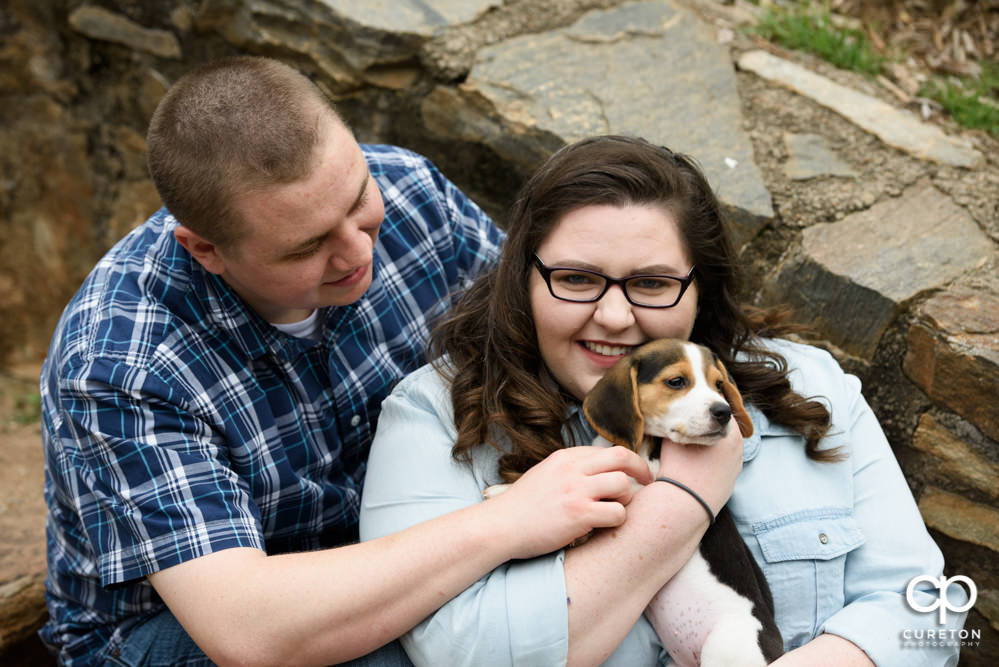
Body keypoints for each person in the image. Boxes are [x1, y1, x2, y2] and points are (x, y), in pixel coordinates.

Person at [39, 58, 657, 667]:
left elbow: (543, 334)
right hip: (188, 628)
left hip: (418, 528)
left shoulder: (413, 193)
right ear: (207, 250)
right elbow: (248, 631)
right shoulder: (119, 360)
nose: (359, 250)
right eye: (308, 246)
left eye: (359, 197)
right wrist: (505, 525)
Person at [360, 135, 968, 666]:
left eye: (652, 283)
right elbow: (462, 653)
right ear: (523, 278)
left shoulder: (811, 385)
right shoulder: (435, 417)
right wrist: (681, 503)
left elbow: (927, 609)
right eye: (576, 278)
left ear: (700, 287)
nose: (615, 316)